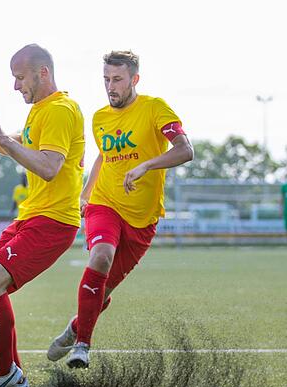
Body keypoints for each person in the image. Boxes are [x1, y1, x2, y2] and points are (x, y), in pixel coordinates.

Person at [0, 44, 84, 387]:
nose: (15, 86)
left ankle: (2, 372)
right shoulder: (43, 110)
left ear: (43, 73)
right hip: (32, 217)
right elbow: (22, 144)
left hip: (53, 221)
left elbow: (47, 166)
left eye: (19, 77)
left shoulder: (59, 110)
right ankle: (13, 374)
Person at [47, 50, 193, 368]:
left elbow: (185, 150)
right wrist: (85, 195)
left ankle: (75, 329)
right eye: (106, 80)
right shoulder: (100, 117)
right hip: (105, 203)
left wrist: (146, 166)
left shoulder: (155, 108)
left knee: (105, 288)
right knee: (100, 255)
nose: (110, 87)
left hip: (143, 218)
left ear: (134, 79)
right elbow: (103, 156)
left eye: (117, 80)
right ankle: (82, 346)